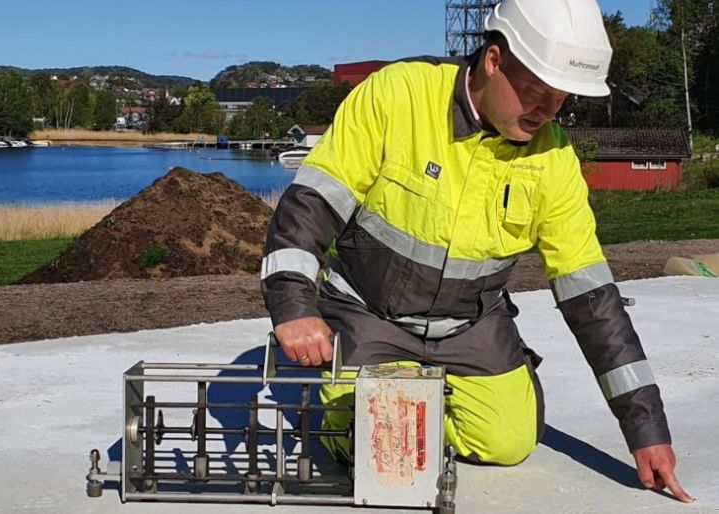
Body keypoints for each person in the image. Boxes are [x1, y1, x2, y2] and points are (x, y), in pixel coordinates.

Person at [260, 0, 692, 503]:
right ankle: (375, 399)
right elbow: (312, 202)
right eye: (535, 91)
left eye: (561, 100)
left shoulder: (553, 158)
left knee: (510, 441)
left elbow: (592, 298)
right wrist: (293, 306)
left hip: (470, 324)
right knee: (374, 439)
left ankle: (421, 395)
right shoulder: (398, 95)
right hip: (370, 314)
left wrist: (647, 429)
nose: (547, 113)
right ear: (493, 60)